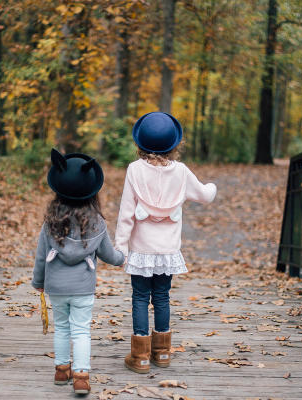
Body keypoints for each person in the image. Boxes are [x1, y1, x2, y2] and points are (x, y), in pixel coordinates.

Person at [115, 112, 217, 373]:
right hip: (167, 251)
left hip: (141, 250)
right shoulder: (181, 172)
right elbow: (205, 195)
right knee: (161, 296)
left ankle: (140, 356)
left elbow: (127, 212)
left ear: (140, 144)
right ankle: (162, 353)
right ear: (174, 145)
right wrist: (212, 186)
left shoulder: (134, 170)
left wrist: (121, 247)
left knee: (140, 297)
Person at [32, 149, 125, 394]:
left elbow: (41, 256)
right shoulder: (97, 223)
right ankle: (81, 376)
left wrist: (38, 282)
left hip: (57, 287)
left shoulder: (51, 222)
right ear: (92, 191)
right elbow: (108, 254)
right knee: (81, 330)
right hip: (83, 286)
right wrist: (122, 259)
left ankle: (61, 370)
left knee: (62, 327)